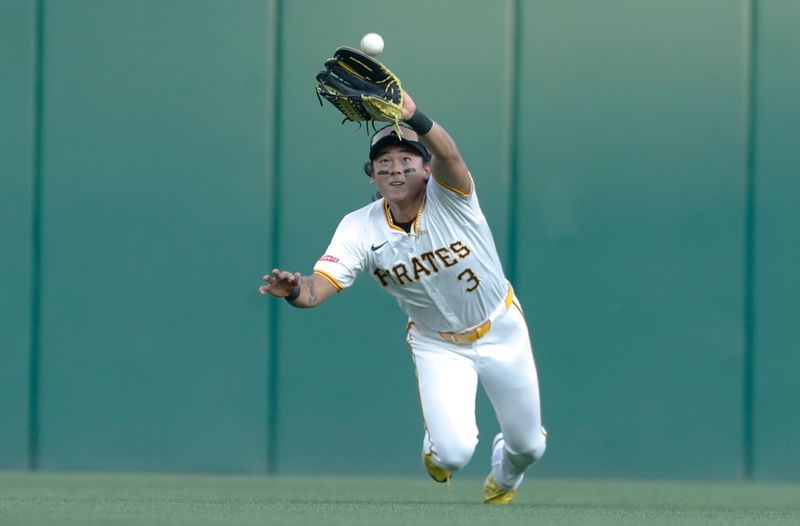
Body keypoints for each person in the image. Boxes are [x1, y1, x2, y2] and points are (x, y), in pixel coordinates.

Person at [259, 90, 547, 505]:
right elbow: (316, 289)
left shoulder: (453, 199)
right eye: (385, 164)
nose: (396, 170)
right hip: (437, 344)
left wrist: (415, 116)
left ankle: (506, 473)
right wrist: (294, 290)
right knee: (451, 454)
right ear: (372, 176)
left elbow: (451, 157)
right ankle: (440, 451)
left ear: (426, 169)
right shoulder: (359, 227)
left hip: (501, 329)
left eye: (407, 161)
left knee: (529, 448)